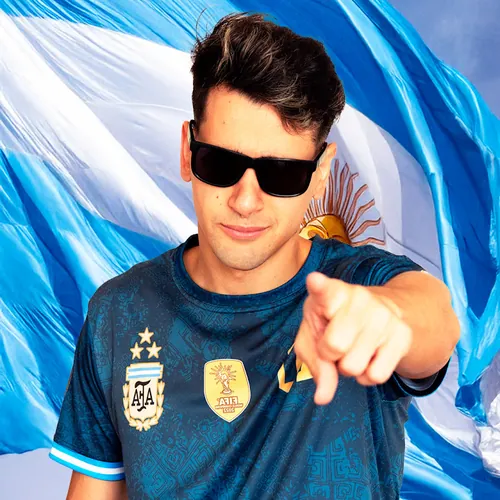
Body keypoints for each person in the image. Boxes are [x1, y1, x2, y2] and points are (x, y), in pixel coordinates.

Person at [49, 12, 460, 500]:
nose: (246, 201)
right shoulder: (118, 313)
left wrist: (387, 316)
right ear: (188, 151)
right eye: (221, 163)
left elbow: (432, 318)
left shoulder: (358, 284)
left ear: (320, 174)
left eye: (281, 174)